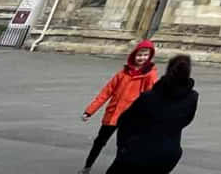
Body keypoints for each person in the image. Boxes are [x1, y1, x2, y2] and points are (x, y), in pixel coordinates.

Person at [106, 53, 196, 174]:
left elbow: (124, 121)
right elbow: (187, 120)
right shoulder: (192, 97)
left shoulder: (149, 97)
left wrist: (124, 146)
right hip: (168, 154)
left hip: (137, 153)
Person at [82, 40, 158, 172]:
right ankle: (87, 167)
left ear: (150, 57)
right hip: (113, 114)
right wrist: (90, 111)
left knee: (124, 146)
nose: (142, 58)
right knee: (99, 142)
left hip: (130, 117)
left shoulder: (150, 75)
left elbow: (150, 97)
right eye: (139, 55)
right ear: (133, 55)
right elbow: (106, 92)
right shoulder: (122, 73)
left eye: (145, 55)